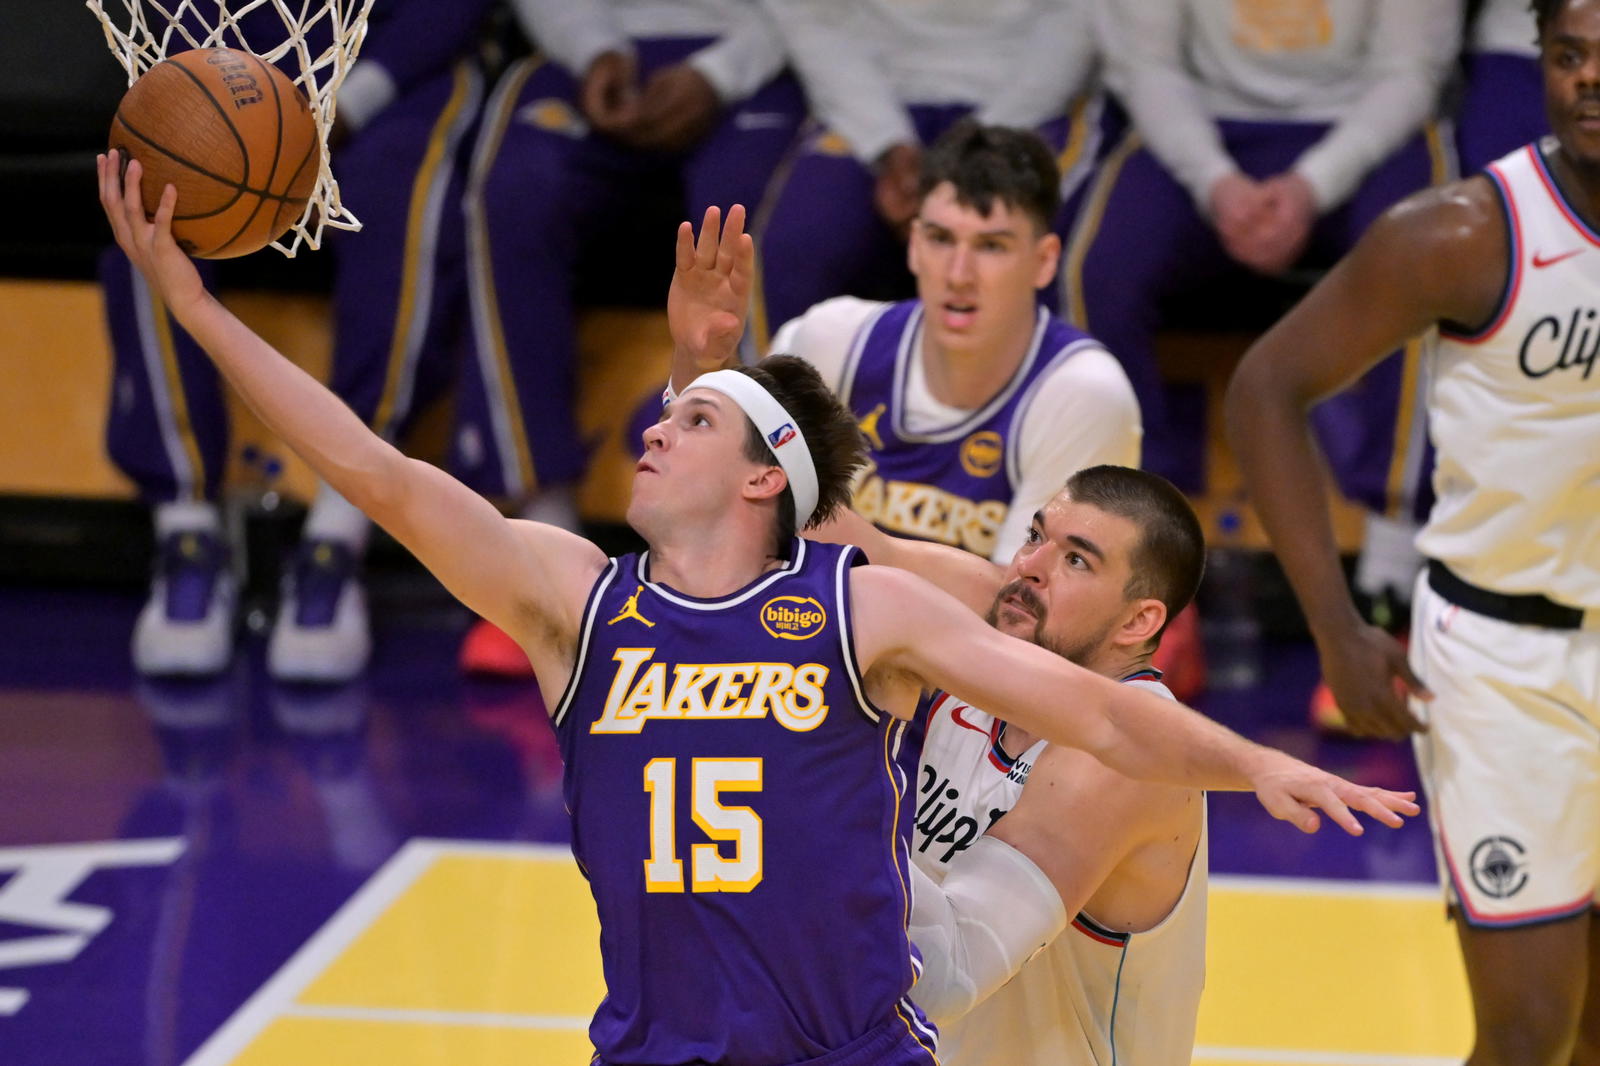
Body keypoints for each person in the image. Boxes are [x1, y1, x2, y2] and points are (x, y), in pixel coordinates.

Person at [102, 155, 1417, 1064]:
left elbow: (1107, 731)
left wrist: (1257, 762)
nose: (650, 431)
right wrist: (197, 306)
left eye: (686, 419)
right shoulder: (588, 603)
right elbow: (378, 474)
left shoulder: (874, 620)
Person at [1226, 1, 1600, 1060]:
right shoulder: (1463, 233)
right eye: (1567, 56)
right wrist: (1339, 628)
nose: (1586, 80)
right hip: (1503, 664)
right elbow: (1264, 390)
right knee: (1529, 1031)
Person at [106, 0, 491, 680]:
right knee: (144, 198)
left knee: (405, 198)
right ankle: (186, 529)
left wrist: (350, 102)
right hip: (219, 70)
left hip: (391, 75)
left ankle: (340, 531)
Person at [453, 0, 804, 675]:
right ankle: (541, 545)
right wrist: (592, 50)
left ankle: (757, 552)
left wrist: (722, 71)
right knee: (510, 191)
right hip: (591, 48)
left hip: (761, 48)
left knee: (758, 229)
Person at [820, 466, 1207, 1064]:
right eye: (1035, 535)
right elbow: (835, 535)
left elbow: (951, 974)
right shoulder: (1003, 618)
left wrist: (808, 796)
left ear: (1138, 622)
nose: (1030, 565)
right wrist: (704, 396)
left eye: (1077, 561)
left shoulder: (1125, 759)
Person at [682, 119, 1141, 567]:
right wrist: (700, 360)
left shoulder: (1083, 394)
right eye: (941, 239)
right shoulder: (831, 341)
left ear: (1044, 262)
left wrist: (868, 549)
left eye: (991, 246)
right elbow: (718, 500)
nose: (959, 275)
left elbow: (1026, 613)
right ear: (914, 245)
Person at [754, 0, 1115, 332]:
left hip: (1029, 99)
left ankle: (1036, 398)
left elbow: (1080, 19)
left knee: (1029, 250)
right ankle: (780, 402)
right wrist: (887, 142)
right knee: (790, 253)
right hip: (873, 93)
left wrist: (970, 148)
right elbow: (810, 18)